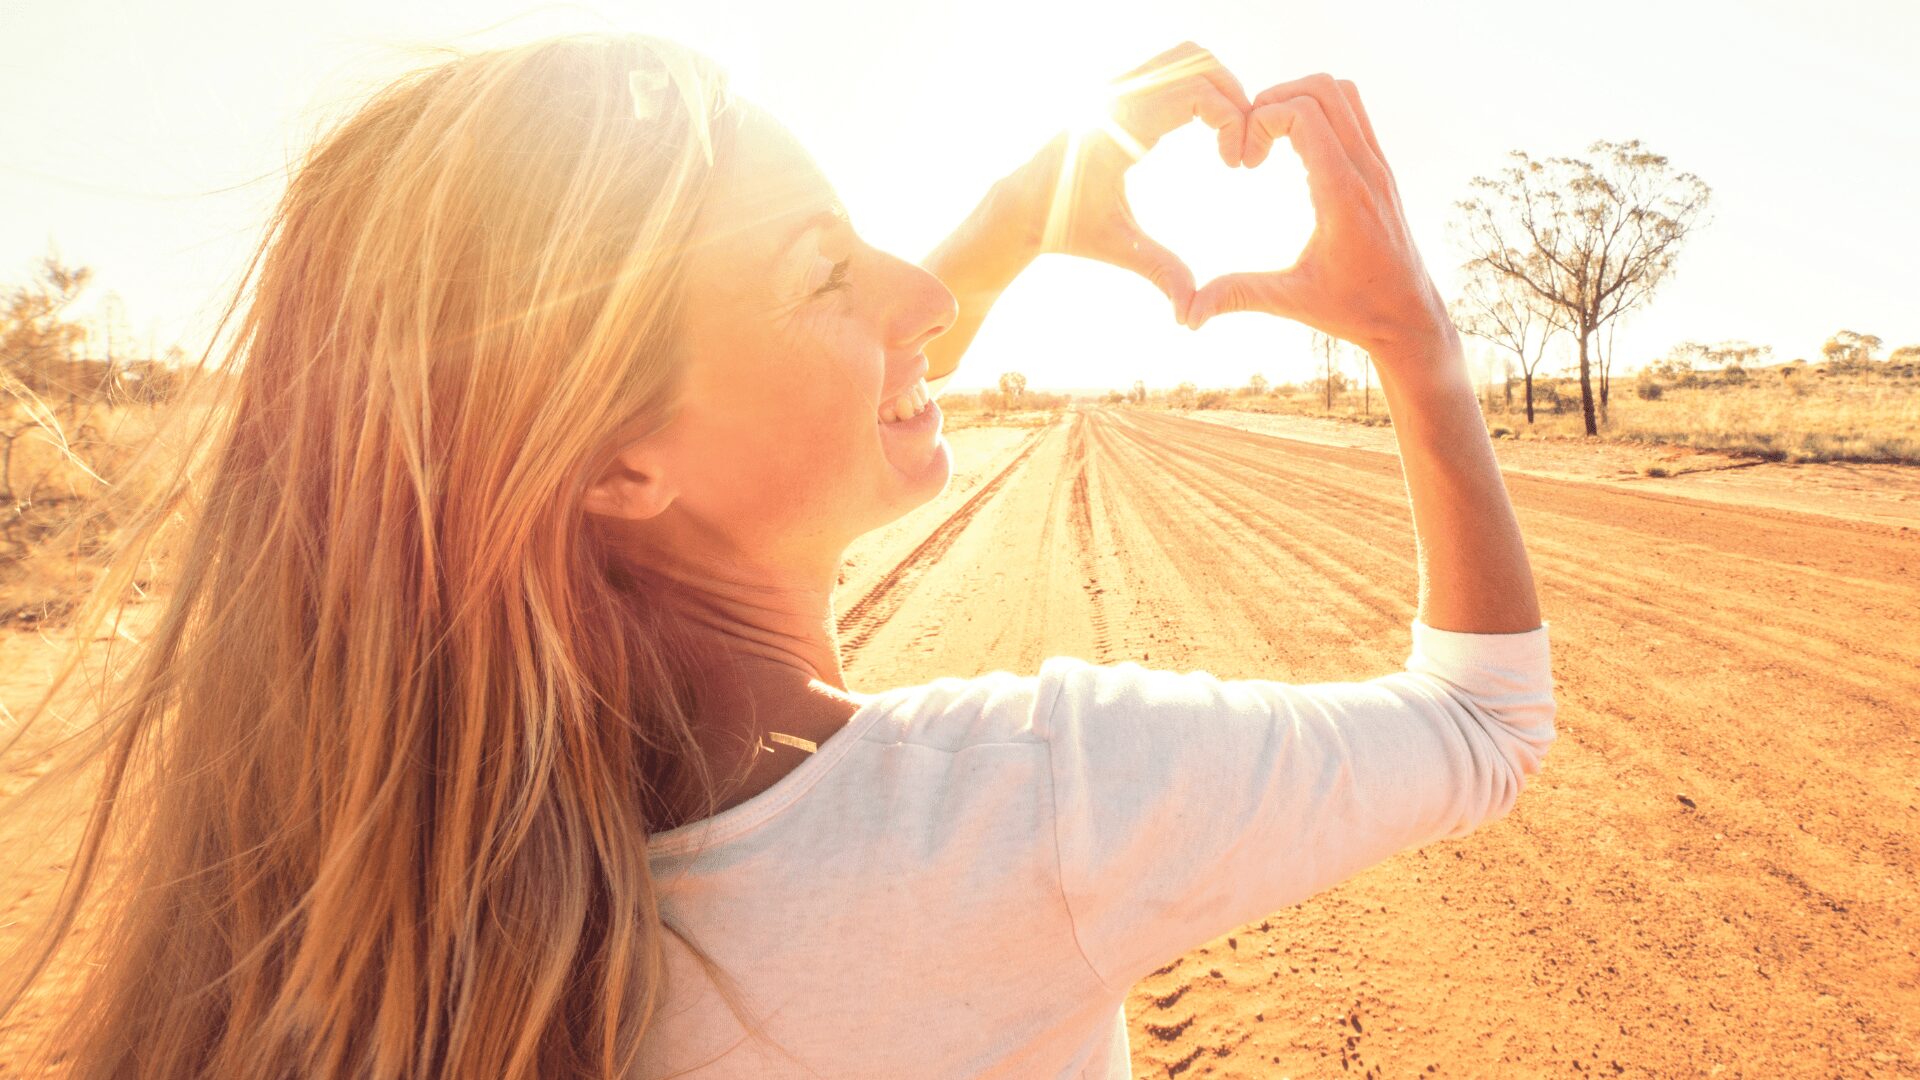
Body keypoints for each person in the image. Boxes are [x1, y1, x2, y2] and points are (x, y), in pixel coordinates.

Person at [0, 32, 1554, 1079]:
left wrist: (1012, 219)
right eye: (828, 270)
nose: (921, 300)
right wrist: (1413, 337)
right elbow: (1486, 724)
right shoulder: (1034, 806)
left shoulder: (372, 917)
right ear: (612, 463)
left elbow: (738, 399)